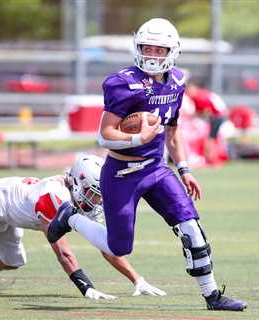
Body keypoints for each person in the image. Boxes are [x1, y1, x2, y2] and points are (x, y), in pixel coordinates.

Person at [48, 18, 247, 311]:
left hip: (156, 169)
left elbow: (172, 130)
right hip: (122, 173)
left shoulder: (177, 81)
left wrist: (185, 169)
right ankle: (71, 217)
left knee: (191, 228)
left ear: (172, 51)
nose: (153, 54)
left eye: (159, 49)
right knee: (119, 247)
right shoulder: (123, 83)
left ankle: (212, 296)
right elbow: (105, 135)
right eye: (147, 48)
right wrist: (138, 137)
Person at [0, 154, 165, 299]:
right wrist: (86, 287)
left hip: (8, 209)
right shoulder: (55, 198)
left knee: (13, 259)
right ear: (77, 182)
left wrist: (137, 280)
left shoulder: (73, 194)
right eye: (93, 193)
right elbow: (63, 252)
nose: (96, 200)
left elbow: (105, 246)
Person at [184, 77, 230, 165]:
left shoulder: (199, 97)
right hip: (218, 116)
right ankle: (211, 160)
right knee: (211, 139)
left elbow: (207, 112)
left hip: (217, 117)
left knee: (210, 140)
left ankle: (212, 160)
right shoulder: (201, 94)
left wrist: (192, 115)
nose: (187, 91)